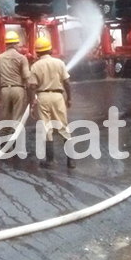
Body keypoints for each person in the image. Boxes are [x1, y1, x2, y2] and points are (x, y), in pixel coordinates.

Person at [28, 37, 75, 169]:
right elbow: (66, 82)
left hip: (43, 97)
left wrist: (32, 101)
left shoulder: (35, 66)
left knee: (47, 128)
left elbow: (32, 86)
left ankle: (50, 160)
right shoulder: (59, 63)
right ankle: (71, 161)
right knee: (63, 126)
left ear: (37, 52)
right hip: (58, 96)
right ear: (50, 49)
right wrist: (69, 97)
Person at [0, 30, 30, 135]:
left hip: (4, 89)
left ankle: (3, 142)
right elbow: (26, 77)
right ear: (16, 44)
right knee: (17, 118)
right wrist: (31, 94)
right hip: (18, 89)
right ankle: (14, 144)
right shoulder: (21, 58)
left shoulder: (0, 58)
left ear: (6, 44)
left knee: (5, 118)